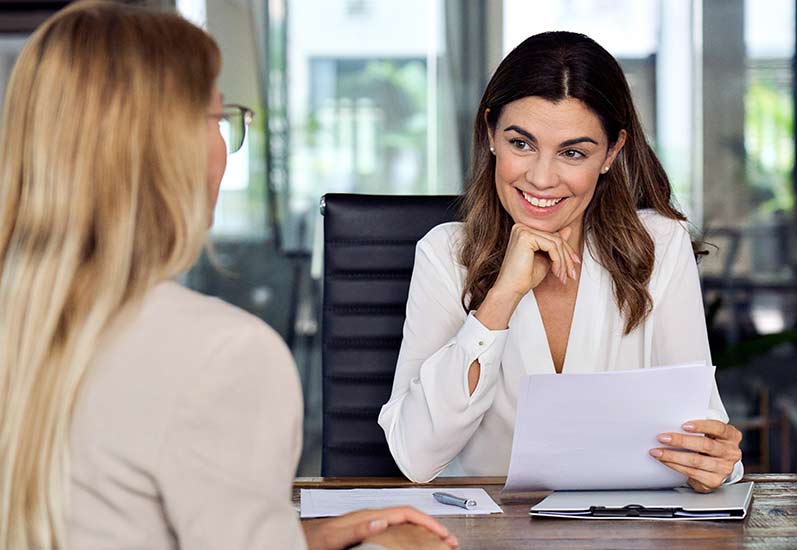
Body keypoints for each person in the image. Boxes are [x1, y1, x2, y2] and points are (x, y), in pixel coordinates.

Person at [0, 3, 456, 549]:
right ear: (171, 152)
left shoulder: (24, 325)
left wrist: (295, 539)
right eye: (218, 119)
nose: (223, 144)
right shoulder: (222, 354)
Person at [378, 31, 744, 493]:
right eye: (522, 144)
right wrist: (501, 299)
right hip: (485, 535)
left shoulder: (659, 246)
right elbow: (415, 455)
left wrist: (713, 462)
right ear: (491, 134)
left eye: (573, 152)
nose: (541, 177)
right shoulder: (446, 255)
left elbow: (702, 429)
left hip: (623, 531)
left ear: (611, 153)